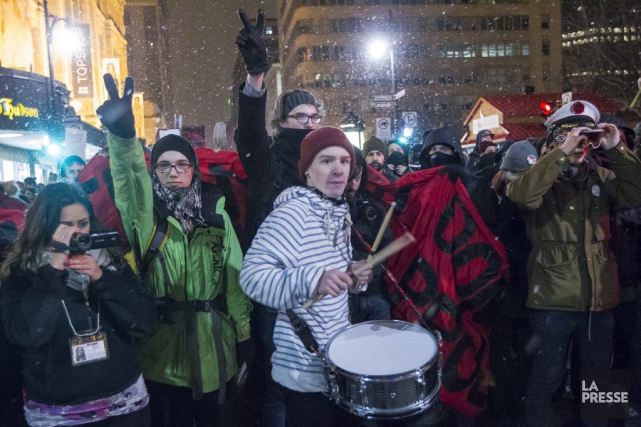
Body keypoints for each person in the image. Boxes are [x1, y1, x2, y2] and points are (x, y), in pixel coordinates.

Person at [97, 74, 252, 427]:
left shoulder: (216, 215)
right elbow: (130, 180)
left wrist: (243, 335)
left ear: (193, 171)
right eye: (164, 165)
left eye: (182, 165)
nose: (173, 172)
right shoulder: (145, 215)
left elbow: (235, 279)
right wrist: (123, 137)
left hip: (217, 348)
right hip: (162, 354)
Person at [506, 100, 641, 427]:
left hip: (599, 299)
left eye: (586, 137)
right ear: (553, 139)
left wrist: (617, 148)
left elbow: (636, 194)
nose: (580, 144)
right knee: (547, 378)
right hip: (552, 300)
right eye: (570, 135)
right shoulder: (541, 176)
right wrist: (561, 153)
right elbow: (521, 195)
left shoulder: (603, 176)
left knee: (601, 384)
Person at [240, 126, 372, 427]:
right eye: (326, 161)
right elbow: (252, 277)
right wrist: (313, 279)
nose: (338, 169)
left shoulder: (337, 213)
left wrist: (352, 279)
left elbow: (325, 279)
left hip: (337, 364)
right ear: (308, 172)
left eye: (344, 160)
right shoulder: (294, 213)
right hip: (304, 370)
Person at [0, 182, 156, 426]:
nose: (77, 233)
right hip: (57, 413)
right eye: (66, 225)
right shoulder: (23, 271)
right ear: (45, 224)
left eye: (83, 223)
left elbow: (144, 320)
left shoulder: (109, 260)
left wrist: (102, 279)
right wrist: (53, 270)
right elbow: (26, 333)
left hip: (125, 403)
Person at [235, 9, 322, 426]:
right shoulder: (267, 160)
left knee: (318, 382)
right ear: (283, 122)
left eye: (315, 118)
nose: (310, 125)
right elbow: (249, 131)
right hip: (276, 294)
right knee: (277, 386)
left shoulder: (326, 166)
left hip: (321, 291)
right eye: (301, 118)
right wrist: (256, 79)